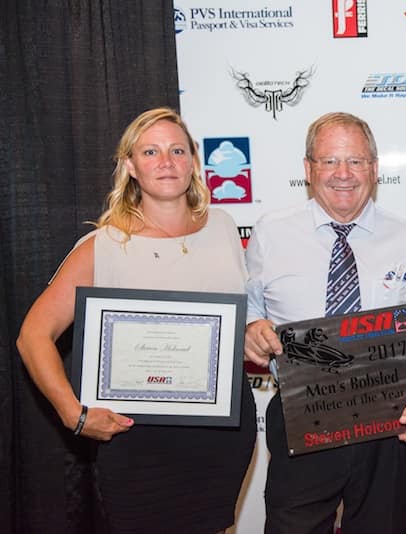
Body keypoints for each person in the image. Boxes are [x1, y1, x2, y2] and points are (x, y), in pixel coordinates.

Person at [16, 108, 257, 533]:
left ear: (193, 160)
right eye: (150, 152)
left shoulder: (222, 227)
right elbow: (33, 336)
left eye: (177, 151)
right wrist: (72, 413)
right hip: (136, 438)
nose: (166, 162)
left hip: (222, 429)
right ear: (130, 165)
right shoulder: (104, 245)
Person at [243, 111, 406, 534]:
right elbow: (248, 309)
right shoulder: (270, 234)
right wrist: (250, 329)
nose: (343, 173)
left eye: (355, 161)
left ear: (374, 169)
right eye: (329, 161)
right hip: (302, 418)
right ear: (308, 169)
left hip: (391, 425)